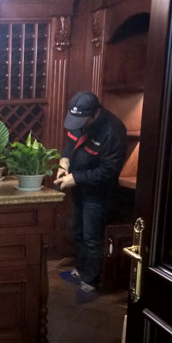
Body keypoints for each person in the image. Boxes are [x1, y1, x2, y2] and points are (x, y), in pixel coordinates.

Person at [54, 91, 127, 303]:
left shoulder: (113, 130)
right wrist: (64, 162)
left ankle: (91, 283)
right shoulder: (79, 121)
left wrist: (76, 178)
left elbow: (109, 172)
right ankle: (81, 270)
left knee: (92, 238)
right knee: (77, 230)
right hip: (79, 188)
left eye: (83, 120)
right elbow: (71, 144)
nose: (79, 124)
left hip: (98, 193)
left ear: (96, 112)